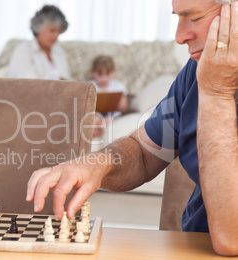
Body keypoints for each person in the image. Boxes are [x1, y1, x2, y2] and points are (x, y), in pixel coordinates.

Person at [26, 0, 238, 255]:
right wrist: (99, 163)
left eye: (193, 18)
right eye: (178, 17)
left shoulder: (212, 79)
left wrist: (217, 92)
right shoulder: (194, 72)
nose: (179, 37)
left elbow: (231, 239)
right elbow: (144, 153)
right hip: (193, 246)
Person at [9, 5, 71, 80]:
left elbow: (67, 81)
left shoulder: (59, 52)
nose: (56, 36)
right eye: (52, 30)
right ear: (38, 27)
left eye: (59, 32)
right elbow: (28, 84)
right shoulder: (23, 51)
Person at [90, 55, 129, 137]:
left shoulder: (118, 86)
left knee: (110, 119)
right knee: (95, 117)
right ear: (93, 73)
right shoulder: (90, 86)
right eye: (100, 75)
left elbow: (124, 108)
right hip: (96, 112)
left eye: (107, 74)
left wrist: (121, 103)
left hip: (112, 113)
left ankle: (101, 127)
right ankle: (96, 127)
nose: (104, 78)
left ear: (113, 72)